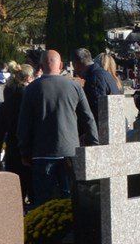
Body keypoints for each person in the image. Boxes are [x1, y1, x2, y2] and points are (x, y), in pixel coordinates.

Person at [17, 49, 100, 203]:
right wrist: (94, 145)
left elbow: (24, 124)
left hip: (42, 152)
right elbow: (88, 118)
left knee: (44, 202)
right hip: (69, 151)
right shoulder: (74, 87)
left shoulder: (31, 89)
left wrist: (24, 151)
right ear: (61, 65)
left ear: (41, 66)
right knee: (71, 200)